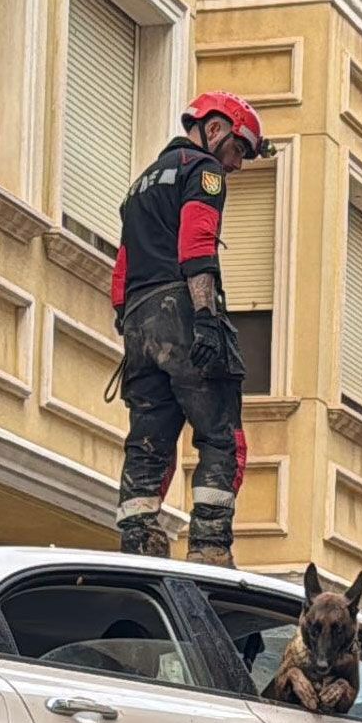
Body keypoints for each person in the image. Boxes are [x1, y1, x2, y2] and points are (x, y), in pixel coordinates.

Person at [108, 92, 272, 566]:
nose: (238, 165)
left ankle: (139, 543)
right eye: (239, 149)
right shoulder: (203, 171)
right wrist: (203, 317)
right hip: (181, 307)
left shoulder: (139, 186)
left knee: (148, 439)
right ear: (216, 128)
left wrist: (132, 329)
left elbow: (121, 271)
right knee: (221, 435)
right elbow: (197, 244)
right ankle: (209, 550)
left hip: (138, 323)